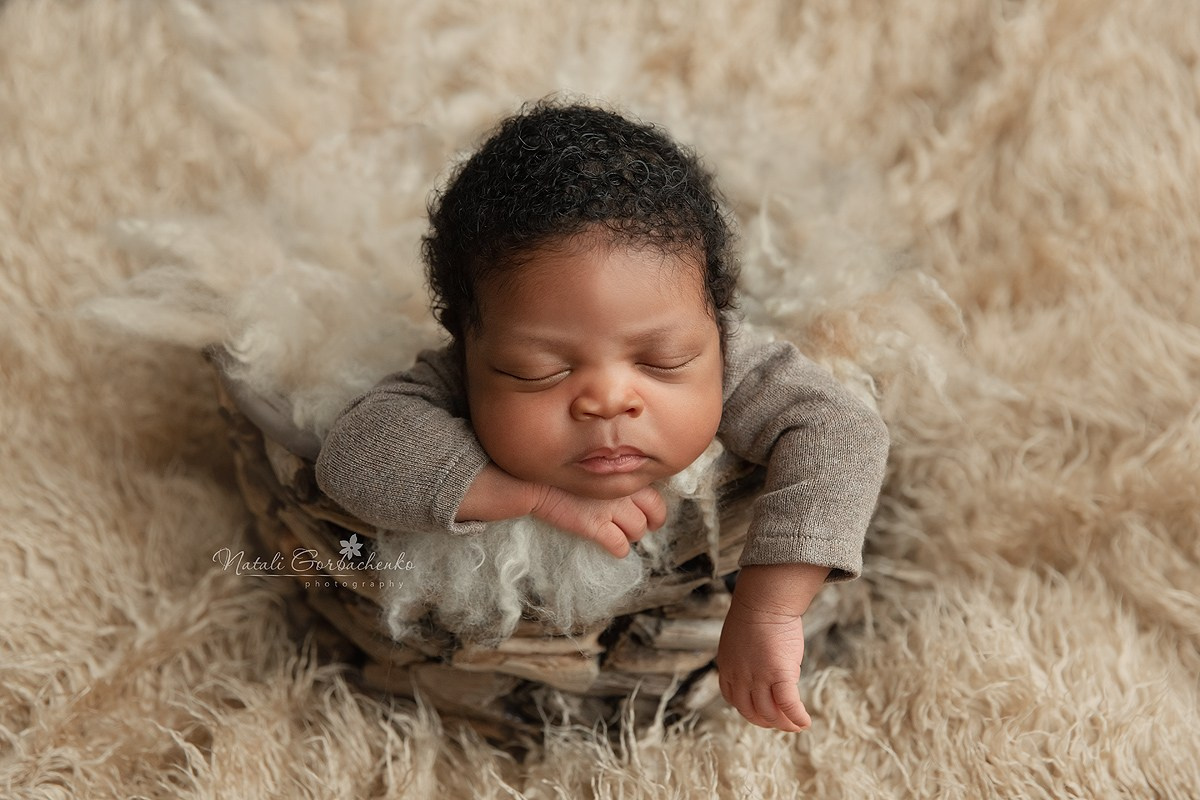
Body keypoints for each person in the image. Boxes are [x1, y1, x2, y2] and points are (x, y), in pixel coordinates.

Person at [315, 99, 890, 733]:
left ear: (716, 325)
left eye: (664, 360)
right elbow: (355, 453)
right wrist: (531, 497)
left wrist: (770, 608)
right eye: (539, 370)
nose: (609, 400)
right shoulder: (453, 376)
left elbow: (842, 430)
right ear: (467, 344)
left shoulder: (736, 359)